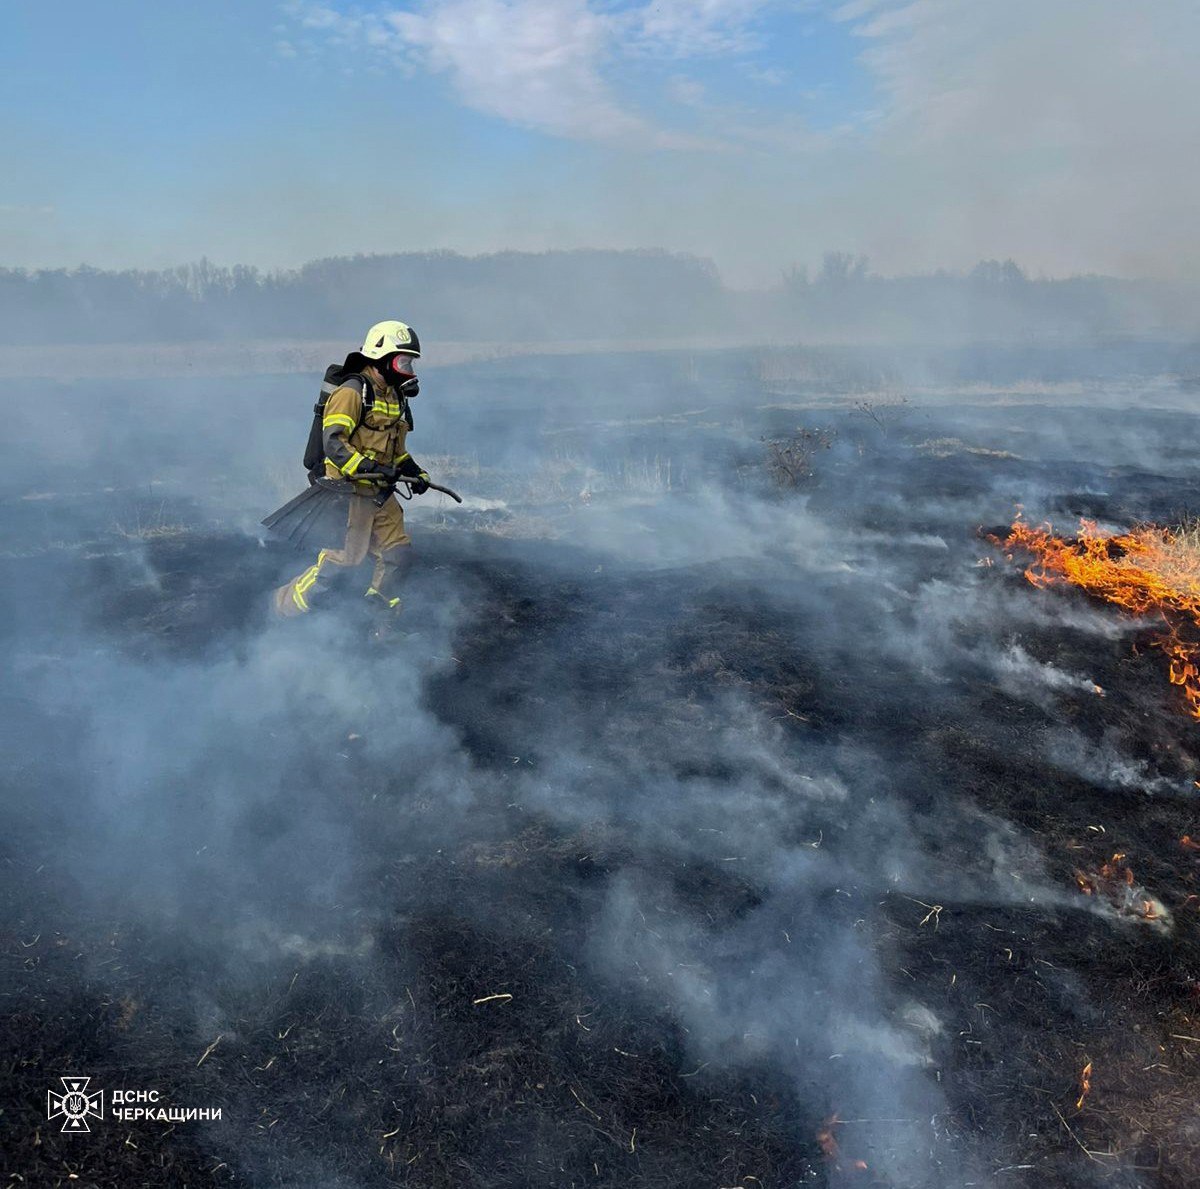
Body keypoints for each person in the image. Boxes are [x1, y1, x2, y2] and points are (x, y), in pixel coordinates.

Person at [269, 320, 430, 624]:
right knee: (344, 562)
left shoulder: (395, 397)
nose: (408, 369)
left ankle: (378, 620)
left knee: (398, 556)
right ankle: (282, 605)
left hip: (380, 492)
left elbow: (395, 449)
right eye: (402, 361)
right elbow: (334, 443)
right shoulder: (352, 392)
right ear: (381, 358)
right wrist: (366, 466)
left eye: (410, 362)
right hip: (349, 491)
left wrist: (413, 469)